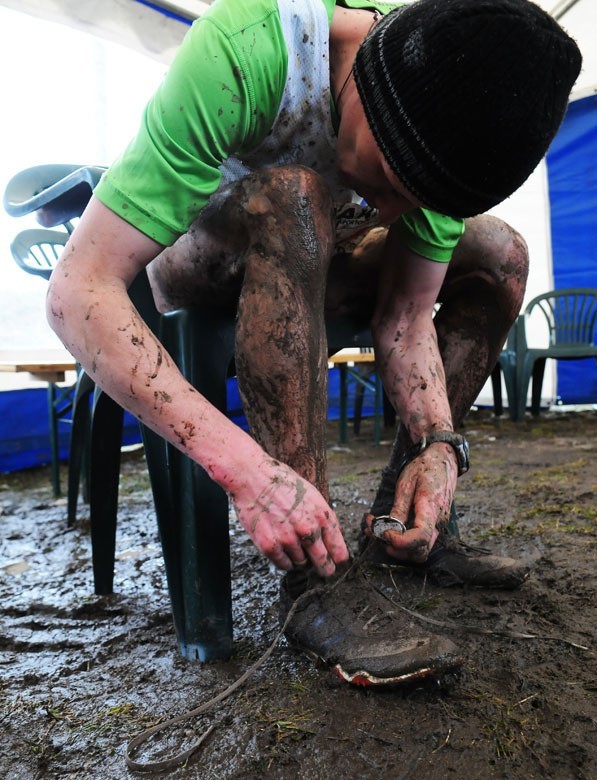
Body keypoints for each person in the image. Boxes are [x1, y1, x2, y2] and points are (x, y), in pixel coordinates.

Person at [46, 0, 581, 685]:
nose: (387, 212)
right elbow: (77, 290)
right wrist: (243, 469)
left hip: (319, 256)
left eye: (413, 204)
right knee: (297, 197)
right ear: (362, 82)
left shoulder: (436, 139)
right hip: (199, 258)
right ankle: (316, 581)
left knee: (498, 250)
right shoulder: (246, 50)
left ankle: (406, 521)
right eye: (389, 180)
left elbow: (405, 317)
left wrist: (438, 445)